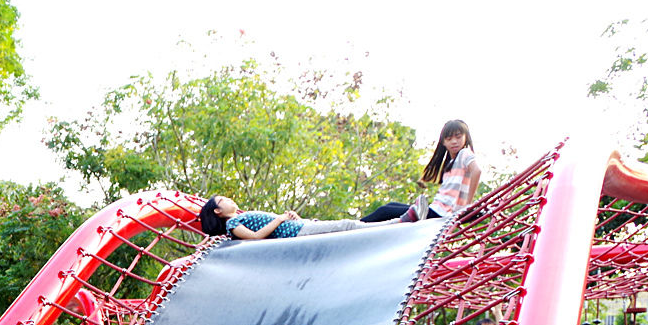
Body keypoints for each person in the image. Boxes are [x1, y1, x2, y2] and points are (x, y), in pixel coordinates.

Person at [362, 120, 482, 223]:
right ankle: (356, 226)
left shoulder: (464, 153)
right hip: (435, 210)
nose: (454, 141)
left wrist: (468, 205)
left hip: (441, 214)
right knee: (390, 206)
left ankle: (351, 228)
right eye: (449, 138)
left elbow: (477, 171)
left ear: (466, 137)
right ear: (443, 142)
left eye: (458, 137)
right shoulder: (450, 164)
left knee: (385, 211)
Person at [198, 196, 378, 240]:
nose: (229, 200)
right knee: (346, 226)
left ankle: (393, 222)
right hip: (294, 232)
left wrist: (291, 217)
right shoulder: (232, 223)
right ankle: (395, 223)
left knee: (346, 226)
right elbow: (255, 237)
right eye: (223, 200)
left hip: (297, 226)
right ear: (217, 211)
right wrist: (280, 219)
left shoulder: (240, 216)